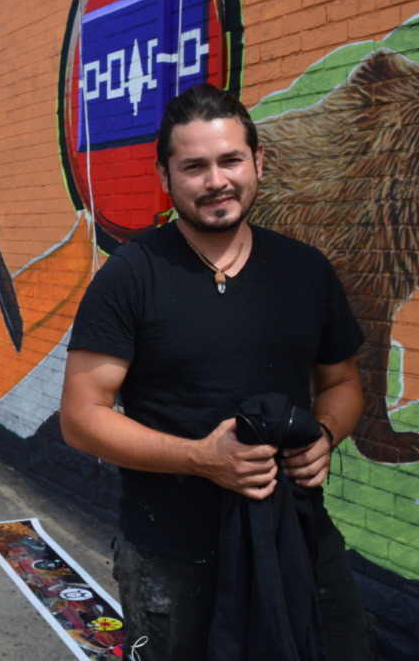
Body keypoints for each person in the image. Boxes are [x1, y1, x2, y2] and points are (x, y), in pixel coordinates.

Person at [60, 83, 372, 661]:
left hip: (297, 535)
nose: (216, 182)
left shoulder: (305, 271)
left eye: (230, 160)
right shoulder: (132, 276)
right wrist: (201, 459)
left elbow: (342, 384)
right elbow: (81, 418)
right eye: (194, 167)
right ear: (165, 176)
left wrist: (326, 435)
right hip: (173, 551)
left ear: (259, 161)